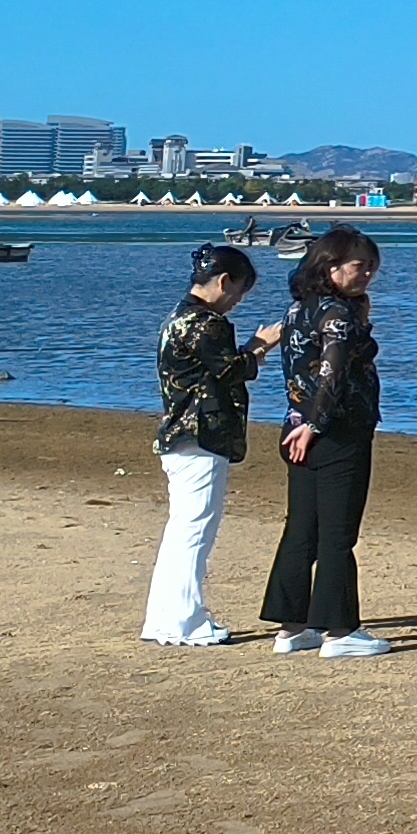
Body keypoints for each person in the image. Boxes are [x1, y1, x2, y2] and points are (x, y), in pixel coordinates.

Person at [258, 223, 389, 657]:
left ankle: (291, 626)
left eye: (372, 267)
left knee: (302, 529)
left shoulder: (298, 311)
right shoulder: (337, 315)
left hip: (298, 427)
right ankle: (339, 631)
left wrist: (305, 422)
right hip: (334, 432)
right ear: (330, 266)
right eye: (359, 266)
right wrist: (316, 423)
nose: (367, 274)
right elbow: (331, 370)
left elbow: (300, 368)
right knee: (336, 533)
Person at [140, 244, 262, 647]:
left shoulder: (177, 317)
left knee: (183, 530)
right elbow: (229, 369)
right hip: (201, 434)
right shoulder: (207, 323)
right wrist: (260, 346)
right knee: (194, 531)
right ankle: (185, 621)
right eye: (239, 292)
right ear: (224, 282)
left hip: (180, 434)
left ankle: (165, 619)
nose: (237, 302)